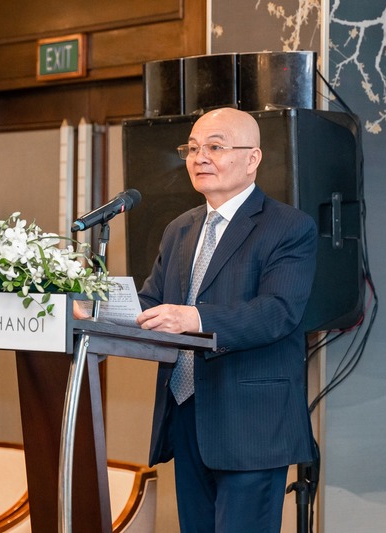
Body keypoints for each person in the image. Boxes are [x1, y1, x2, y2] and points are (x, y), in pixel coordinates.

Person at [136, 107, 317, 532]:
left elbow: (278, 312)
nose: (200, 157)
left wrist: (194, 317)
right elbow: (151, 303)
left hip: (251, 423)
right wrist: (98, 311)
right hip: (187, 414)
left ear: (252, 158)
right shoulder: (180, 229)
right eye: (192, 148)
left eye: (215, 147)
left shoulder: (288, 226)